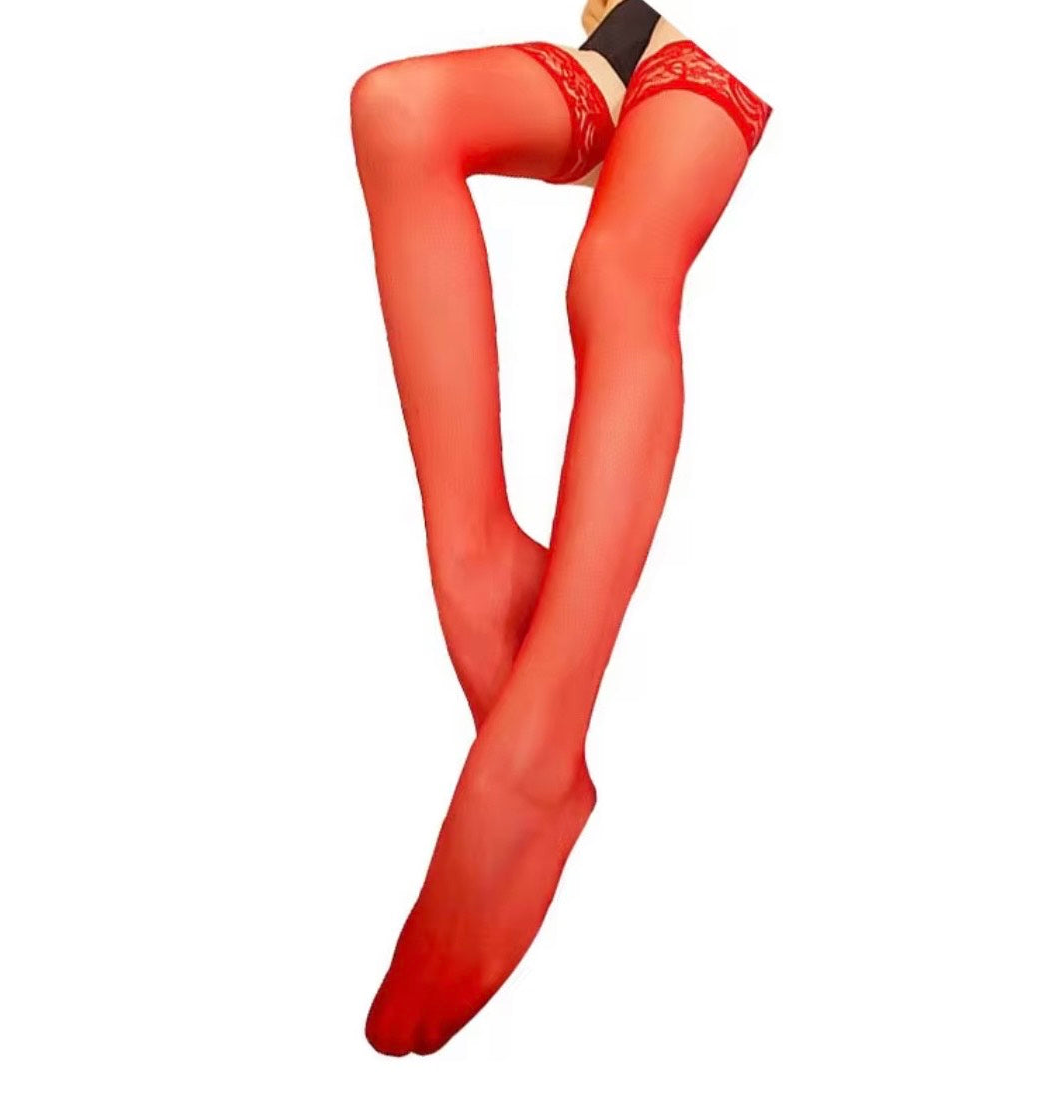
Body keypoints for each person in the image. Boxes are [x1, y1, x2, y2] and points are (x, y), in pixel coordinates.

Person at [348, 0, 772, 1056]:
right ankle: (476, 559)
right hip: (629, 30)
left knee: (618, 270)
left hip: (733, 45)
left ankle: (538, 750)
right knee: (397, 111)